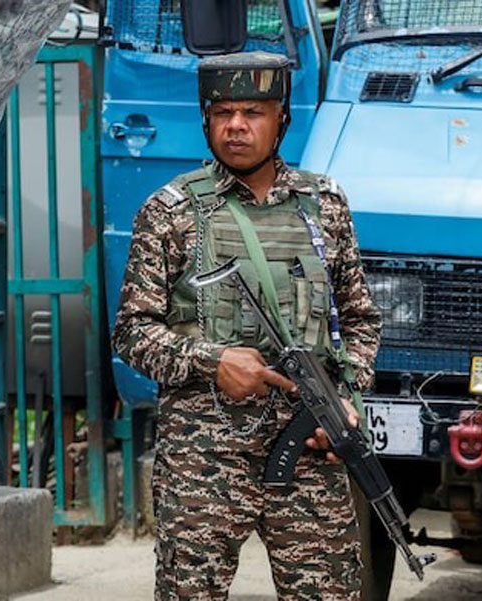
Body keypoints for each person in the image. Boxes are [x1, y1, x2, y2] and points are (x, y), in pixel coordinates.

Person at [112, 51, 382, 601]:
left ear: (281, 118)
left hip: (309, 442)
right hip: (204, 454)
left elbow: (358, 319)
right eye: (223, 112)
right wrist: (213, 362)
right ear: (206, 120)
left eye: (253, 112)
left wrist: (347, 400)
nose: (236, 126)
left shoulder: (324, 206)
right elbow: (133, 331)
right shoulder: (169, 212)